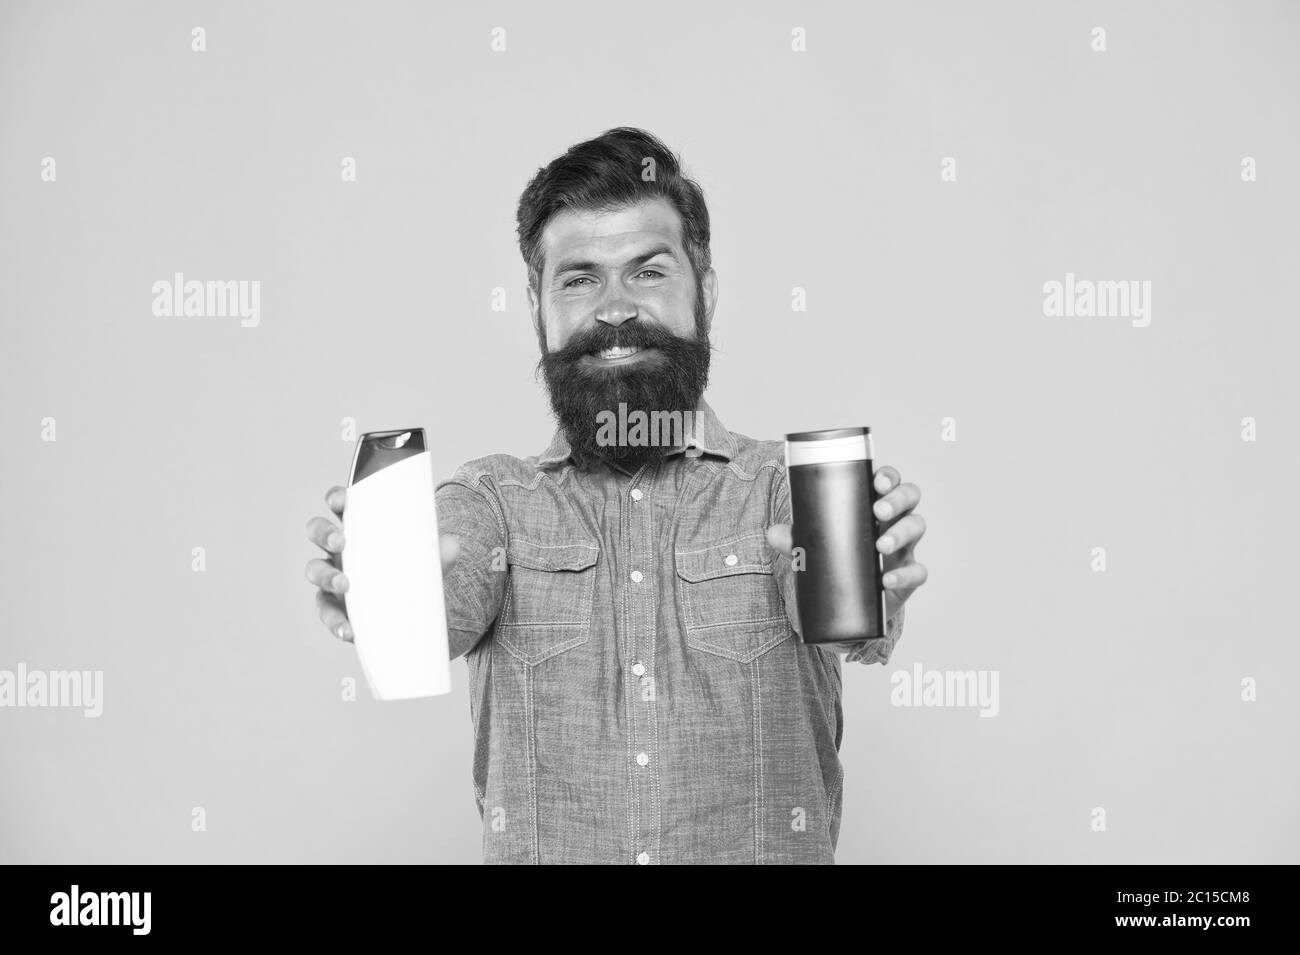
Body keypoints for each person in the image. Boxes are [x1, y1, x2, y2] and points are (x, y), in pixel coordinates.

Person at [304, 127, 928, 864]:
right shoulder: (490, 500)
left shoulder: (784, 492)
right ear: (537, 304)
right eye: (580, 278)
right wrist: (391, 597)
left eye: (649, 272)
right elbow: (444, 589)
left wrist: (866, 577)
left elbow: (846, 615)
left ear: (707, 290)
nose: (615, 308)